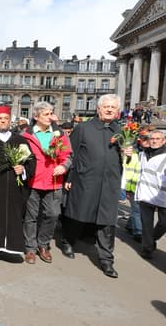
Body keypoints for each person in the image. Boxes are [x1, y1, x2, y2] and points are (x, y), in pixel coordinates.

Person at [62, 94, 132, 278]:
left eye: (113, 107)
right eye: (106, 106)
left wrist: (128, 152)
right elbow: (72, 155)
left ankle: (107, 260)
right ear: (98, 108)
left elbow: (126, 157)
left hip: (110, 182)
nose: (109, 109)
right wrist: (69, 177)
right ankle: (68, 240)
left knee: (107, 222)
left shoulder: (121, 130)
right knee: (78, 215)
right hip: (85, 180)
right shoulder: (84, 128)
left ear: (117, 112)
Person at [0, 106, 35, 269]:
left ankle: (9, 247)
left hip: (13, 187)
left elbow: (31, 161)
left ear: (10, 120)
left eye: (6, 118)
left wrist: (23, 169)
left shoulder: (19, 140)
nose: (3, 121)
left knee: (12, 216)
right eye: (0, 118)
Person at [20, 102, 71, 265]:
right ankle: (30, 247)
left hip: (54, 181)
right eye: (46, 114)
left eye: (51, 113)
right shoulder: (25, 135)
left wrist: (63, 166)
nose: (51, 117)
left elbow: (68, 155)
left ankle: (43, 244)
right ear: (36, 117)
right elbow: (20, 156)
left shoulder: (59, 133)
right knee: (31, 216)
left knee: (53, 214)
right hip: (33, 181)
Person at [135, 130, 166, 259]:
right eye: (152, 138)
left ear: (164, 141)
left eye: (158, 139)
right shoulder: (143, 154)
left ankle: (151, 239)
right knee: (146, 224)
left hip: (162, 197)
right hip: (145, 195)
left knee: (164, 223)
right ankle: (147, 247)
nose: (154, 141)